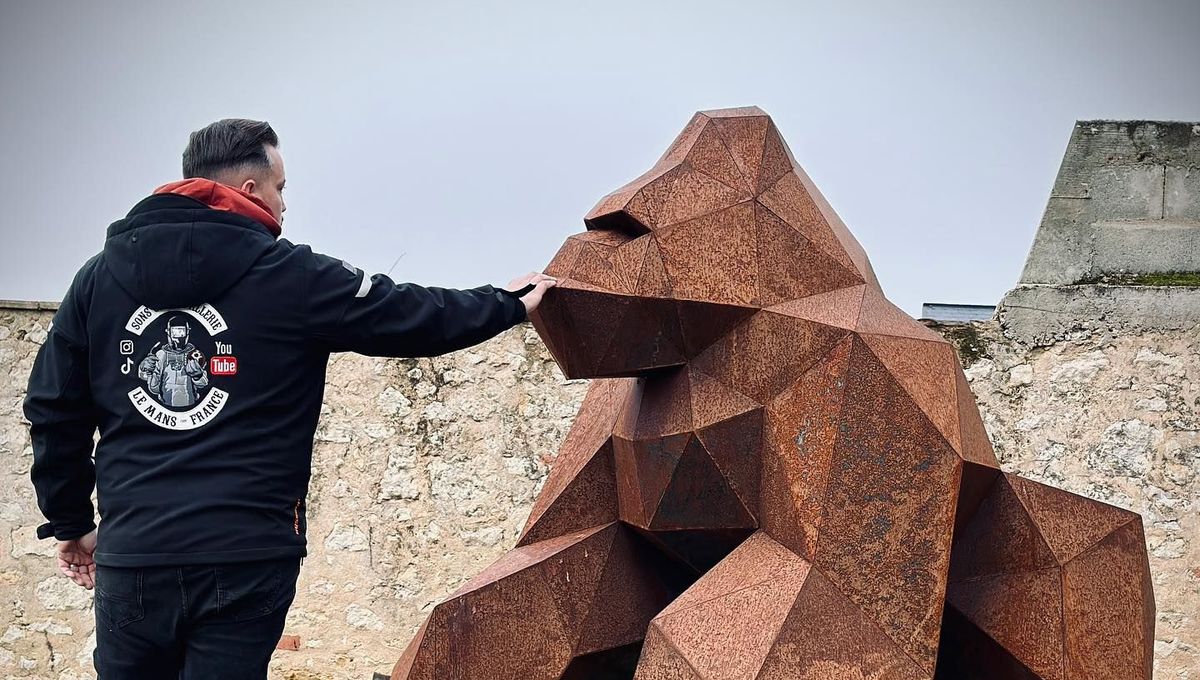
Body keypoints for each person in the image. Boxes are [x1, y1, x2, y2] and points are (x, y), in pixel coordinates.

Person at [23, 118, 557, 680]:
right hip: (245, 557)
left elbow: (54, 406)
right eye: (282, 188)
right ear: (251, 190)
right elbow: (410, 316)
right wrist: (507, 302)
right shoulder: (291, 276)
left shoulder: (97, 280)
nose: (284, 204)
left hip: (135, 555)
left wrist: (71, 521)